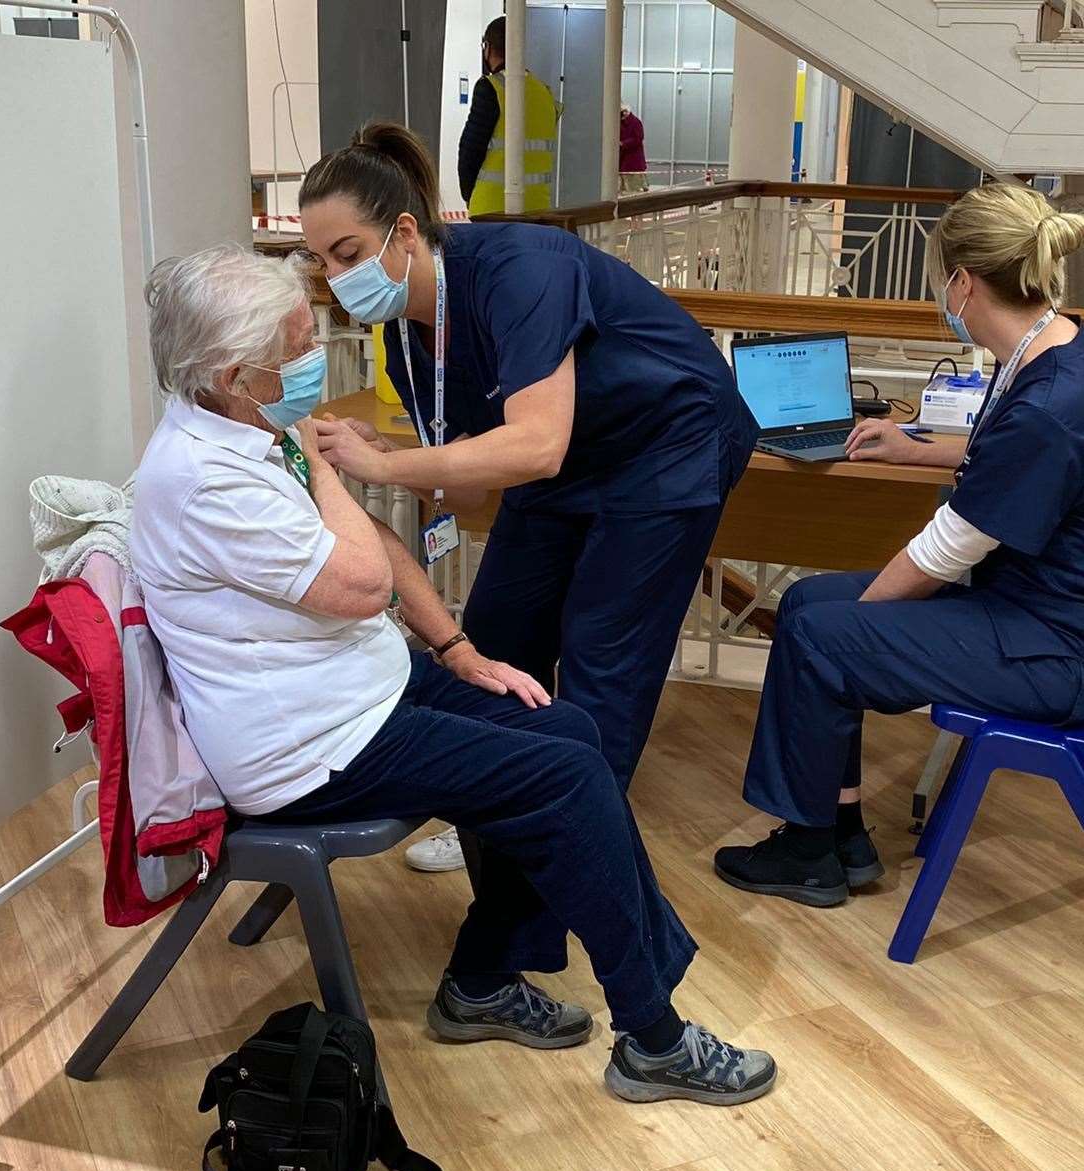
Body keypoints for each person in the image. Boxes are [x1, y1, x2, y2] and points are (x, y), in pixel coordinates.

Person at [129, 244, 776, 1104]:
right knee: (564, 775)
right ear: (232, 373)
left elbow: (380, 549)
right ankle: (653, 1037)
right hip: (313, 748)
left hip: (367, 691)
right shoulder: (206, 478)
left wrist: (457, 649)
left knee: (566, 728)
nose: (314, 358)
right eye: (294, 350)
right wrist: (325, 463)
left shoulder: (249, 423)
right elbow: (361, 583)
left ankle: (481, 982)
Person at [302, 124, 759, 870]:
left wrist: (388, 471)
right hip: (562, 470)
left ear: (405, 231)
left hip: (664, 446)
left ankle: (577, 847)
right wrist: (400, 459)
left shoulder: (520, 268)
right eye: (319, 261)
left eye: (347, 254)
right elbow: (475, 467)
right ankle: (502, 807)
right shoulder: (401, 334)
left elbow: (536, 443)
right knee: (498, 632)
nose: (335, 277)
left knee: (603, 651)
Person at [714, 182, 1084, 907]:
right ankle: (842, 831)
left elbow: (942, 549)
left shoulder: (1052, 405)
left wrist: (863, 627)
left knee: (828, 634)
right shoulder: (1052, 350)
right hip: (1052, 614)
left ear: (962, 282)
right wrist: (914, 447)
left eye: (941, 281)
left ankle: (808, 852)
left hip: (1068, 653)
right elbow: (1012, 461)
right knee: (805, 603)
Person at [458, 17, 559, 216]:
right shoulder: (544, 92)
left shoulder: (490, 87)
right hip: (538, 207)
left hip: (493, 209)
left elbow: (470, 149)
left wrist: (469, 194)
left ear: (488, 47)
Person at [619, 104, 648, 195]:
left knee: (634, 189)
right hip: (623, 158)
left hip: (633, 159)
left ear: (625, 112)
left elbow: (638, 138)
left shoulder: (636, 122)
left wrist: (623, 143)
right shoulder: (621, 122)